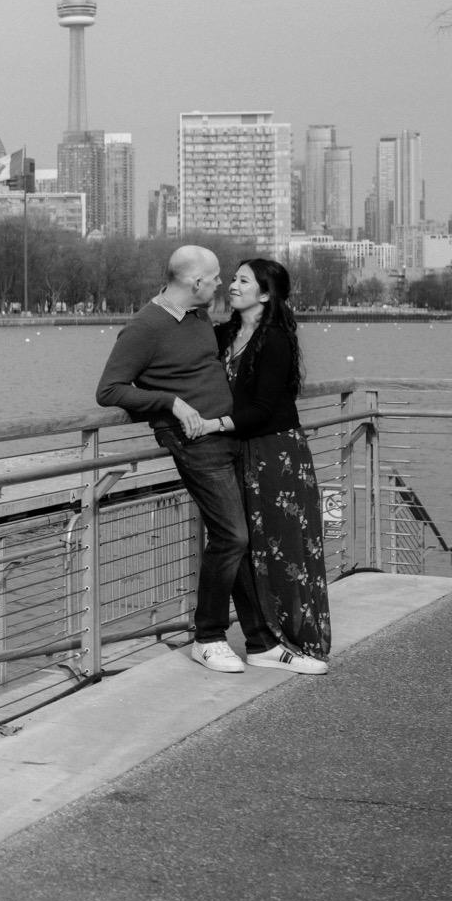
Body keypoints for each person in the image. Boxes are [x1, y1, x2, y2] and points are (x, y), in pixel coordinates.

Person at [96, 245, 277, 674]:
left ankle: (260, 641)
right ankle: (209, 637)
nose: (222, 284)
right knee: (232, 536)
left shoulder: (197, 317)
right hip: (193, 442)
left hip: (226, 435)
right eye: (215, 278)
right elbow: (109, 390)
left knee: (241, 538)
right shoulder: (146, 326)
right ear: (196, 283)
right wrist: (170, 403)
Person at [210, 259, 331, 674]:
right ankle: (262, 639)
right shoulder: (224, 333)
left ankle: (292, 639)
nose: (232, 285)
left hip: (276, 453)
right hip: (238, 452)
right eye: (232, 278)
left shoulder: (274, 339)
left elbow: (262, 408)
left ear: (264, 294)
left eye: (242, 280)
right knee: (246, 545)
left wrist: (213, 424)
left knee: (284, 546)